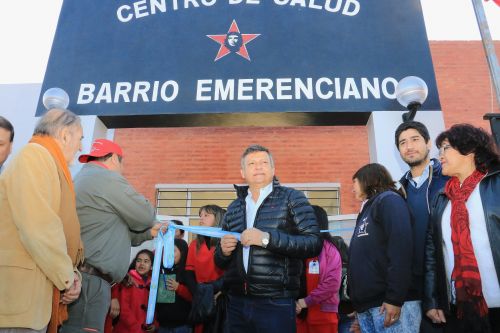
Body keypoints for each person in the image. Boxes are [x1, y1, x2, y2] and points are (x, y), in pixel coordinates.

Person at [215, 144, 322, 333]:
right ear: (242, 172)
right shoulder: (233, 208)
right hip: (237, 302)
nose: (258, 167)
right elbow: (219, 261)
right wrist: (223, 251)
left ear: (273, 169)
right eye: (252, 163)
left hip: (276, 301)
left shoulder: (292, 198)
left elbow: (313, 243)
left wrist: (266, 239)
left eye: (264, 162)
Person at [61, 139, 162, 333]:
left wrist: (149, 234)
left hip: (84, 278)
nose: (123, 171)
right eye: (123, 165)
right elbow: (145, 215)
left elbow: (114, 232)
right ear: (114, 159)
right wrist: (148, 223)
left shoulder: (85, 178)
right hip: (90, 283)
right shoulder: (106, 178)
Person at [0, 109, 84, 332]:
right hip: (18, 303)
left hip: (31, 301)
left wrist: (71, 274)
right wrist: (67, 277)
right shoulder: (34, 157)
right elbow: (39, 228)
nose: (81, 147)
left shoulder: (45, 160)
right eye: (80, 139)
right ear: (65, 135)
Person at [424, 124, 500, 333]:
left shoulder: (495, 184)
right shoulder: (442, 197)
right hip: (461, 309)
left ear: (470, 150)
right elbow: (432, 253)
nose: (440, 156)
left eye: (446, 148)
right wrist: (432, 300)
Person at [349, 163, 420, 333]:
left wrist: (395, 298)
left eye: (354, 183)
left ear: (367, 180)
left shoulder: (389, 200)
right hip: (370, 306)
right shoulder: (367, 209)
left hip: (389, 304)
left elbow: (401, 249)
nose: (352, 189)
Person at [395, 121, 448, 333]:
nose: (409, 146)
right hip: (413, 283)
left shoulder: (447, 178)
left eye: (415, 139)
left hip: (445, 277)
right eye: (402, 143)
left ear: (427, 143)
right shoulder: (398, 191)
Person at [296, 205, 342, 333]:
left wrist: (305, 302)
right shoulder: (298, 248)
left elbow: (332, 284)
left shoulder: (329, 250)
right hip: (299, 317)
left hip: (323, 316)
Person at [185, 205, 225, 333]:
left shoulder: (226, 243)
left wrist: (219, 293)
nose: (201, 219)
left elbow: (232, 273)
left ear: (218, 218)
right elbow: (188, 273)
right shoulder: (194, 244)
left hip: (221, 298)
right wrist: (200, 294)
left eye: (206, 215)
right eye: (200, 216)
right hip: (201, 299)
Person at [113, 249, 155, 333]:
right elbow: (124, 310)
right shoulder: (128, 281)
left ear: (152, 266)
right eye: (139, 261)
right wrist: (136, 328)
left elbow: (156, 309)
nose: (142, 264)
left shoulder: (154, 284)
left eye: (146, 261)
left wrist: (155, 325)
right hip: (127, 329)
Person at [156, 238, 193, 333]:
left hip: (182, 326)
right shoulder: (159, 270)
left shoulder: (188, 272)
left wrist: (178, 288)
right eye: (167, 250)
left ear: (183, 252)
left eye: (173, 250)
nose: (169, 254)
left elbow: (194, 297)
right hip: (162, 325)